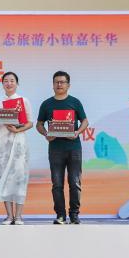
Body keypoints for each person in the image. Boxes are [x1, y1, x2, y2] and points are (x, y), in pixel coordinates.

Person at [35, 70, 89, 225]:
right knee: (57, 184)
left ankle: (74, 215)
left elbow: (85, 121)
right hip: (55, 148)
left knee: (75, 183)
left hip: (74, 148)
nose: (59, 84)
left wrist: (77, 132)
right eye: (56, 82)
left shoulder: (75, 102)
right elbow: (39, 124)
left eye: (62, 82)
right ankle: (60, 215)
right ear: (53, 85)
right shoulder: (47, 104)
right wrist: (46, 133)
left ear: (68, 85)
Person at [0, 71, 34, 224]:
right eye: (6, 81)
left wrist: (18, 130)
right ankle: (9, 216)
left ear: (17, 83)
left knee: (19, 178)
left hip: (19, 143)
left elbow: (30, 123)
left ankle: (18, 216)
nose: (9, 83)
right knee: (4, 177)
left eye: (12, 81)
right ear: (2, 84)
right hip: (2, 143)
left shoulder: (23, 101)